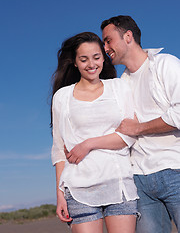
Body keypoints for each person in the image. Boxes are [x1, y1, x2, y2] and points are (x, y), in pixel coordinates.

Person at [51, 31, 139, 233]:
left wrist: (88, 144)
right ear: (74, 62)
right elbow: (58, 149)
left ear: (103, 57)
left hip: (119, 185)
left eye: (96, 57)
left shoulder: (119, 87)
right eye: (84, 59)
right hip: (78, 188)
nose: (91, 64)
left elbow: (128, 136)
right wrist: (59, 194)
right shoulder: (62, 97)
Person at [100, 15, 180, 233]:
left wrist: (139, 128)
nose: (105, 47)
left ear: (128, 36)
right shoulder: (120, 85)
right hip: (139, 180)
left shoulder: (166, 64)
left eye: (108, 40)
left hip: (175, 169)